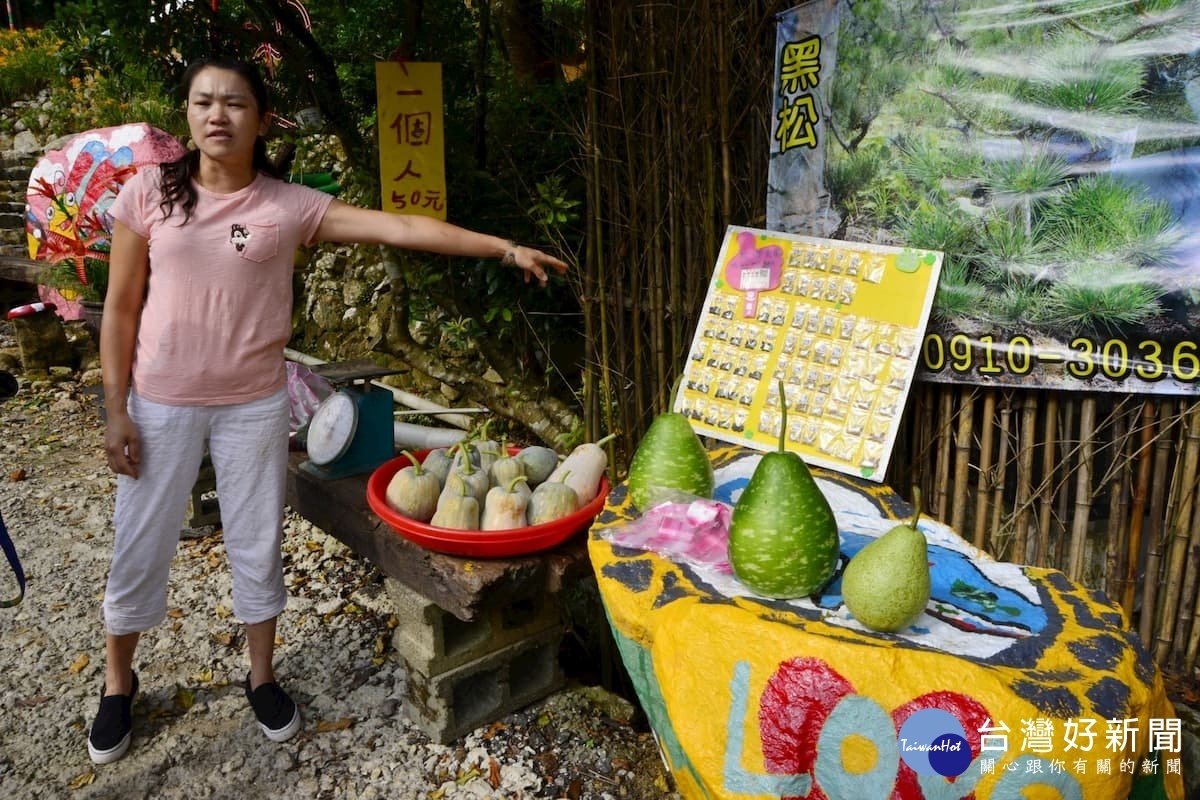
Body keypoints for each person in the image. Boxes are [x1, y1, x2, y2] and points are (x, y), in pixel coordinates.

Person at [88, 57, 568, 765]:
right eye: (202, 102)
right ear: (187, 115)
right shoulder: (149, 194)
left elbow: (400, 226)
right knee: (140, 542)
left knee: (255, 540)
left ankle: (262, 676)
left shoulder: (286, 206)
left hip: (254, 405)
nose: (217, 115)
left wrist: (503, 247)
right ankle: (117, 682)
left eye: (235, 103)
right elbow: (121, 307)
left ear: (262, 119)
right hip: (160, 403)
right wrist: (115, 407)